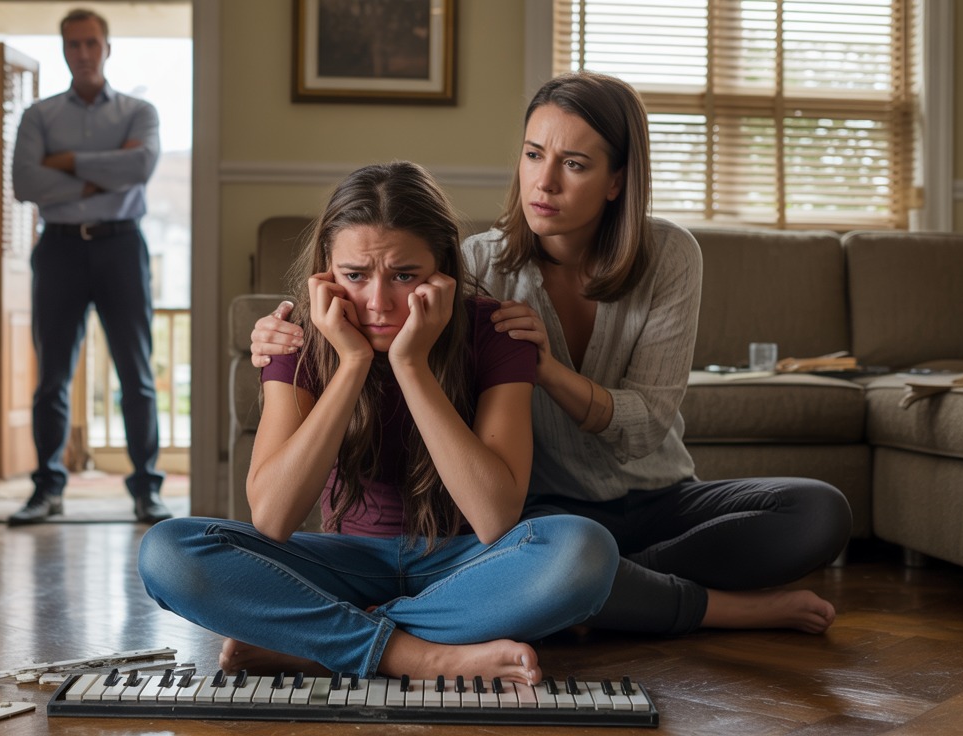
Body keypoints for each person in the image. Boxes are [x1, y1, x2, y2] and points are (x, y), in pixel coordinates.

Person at [250, 71, 853, 637]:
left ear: (617, 179)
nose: (545, 181)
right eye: (534, 154)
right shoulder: (474, 266)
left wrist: (550, 373)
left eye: (574, 164)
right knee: (562, 548)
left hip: (654, 494)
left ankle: (602, 588)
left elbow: (645, 430)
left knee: (818, 512)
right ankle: (596, 589)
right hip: (541, 502)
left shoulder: (671, 255)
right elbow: (375, 308)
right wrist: (276, 337)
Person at [139, 162, 618, 683]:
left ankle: (323, 644)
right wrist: (351, 365)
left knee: (585, 552)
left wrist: (411, 365)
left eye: (405, 276)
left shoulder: (495, 332)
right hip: (338, 566)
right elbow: (273, 519)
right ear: (326, 269)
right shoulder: (298, 337)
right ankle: (423, 657)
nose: (378, 303)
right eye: (355, 275)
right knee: (167, 553)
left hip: (463, 566)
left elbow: (494, 518)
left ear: (443, 269)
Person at [9, 8, 171, 526]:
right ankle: (47, 488)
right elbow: (26, 185)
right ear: (63, 49)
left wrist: (65, 161)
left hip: (121, 246)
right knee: (51, 377)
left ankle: (147, 490)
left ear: (107, 48)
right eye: (73, 44)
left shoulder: (138, 111)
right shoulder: (38, 115)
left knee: (136, 375)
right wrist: (104, 171)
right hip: (57, 249)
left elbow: (141, 166)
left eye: (91, 44)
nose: (82, 53)